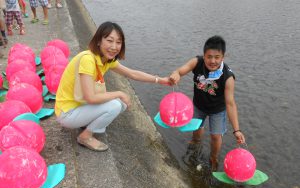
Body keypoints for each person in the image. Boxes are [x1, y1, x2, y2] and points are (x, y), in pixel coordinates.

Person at [55, 21, 170, 152]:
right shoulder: (88, 60)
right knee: (115, 104)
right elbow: (91, 98)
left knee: (121, 104)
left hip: (79, 105)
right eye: (110, 41)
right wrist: (119, 93)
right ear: (98, 41)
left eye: (118, 42)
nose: (114, 47)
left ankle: (86, 124)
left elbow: (132, 73)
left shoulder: (106, 60)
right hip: (67, 113)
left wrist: (159, 80)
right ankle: (85, 136)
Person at [169, 35, 245, 171]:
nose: (213, 61)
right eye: (209, 56)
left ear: (223, 57)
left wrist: (236, 130)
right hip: (199, 105)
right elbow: (180, 71)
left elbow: (230, 103)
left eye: (217, 57)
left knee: (216, 136)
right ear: (204, 55)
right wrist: (175, 75)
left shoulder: (228, 77)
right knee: (197, 128)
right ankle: (195, 142)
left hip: (217, 110)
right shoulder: (196, 62)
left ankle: (214, 157)